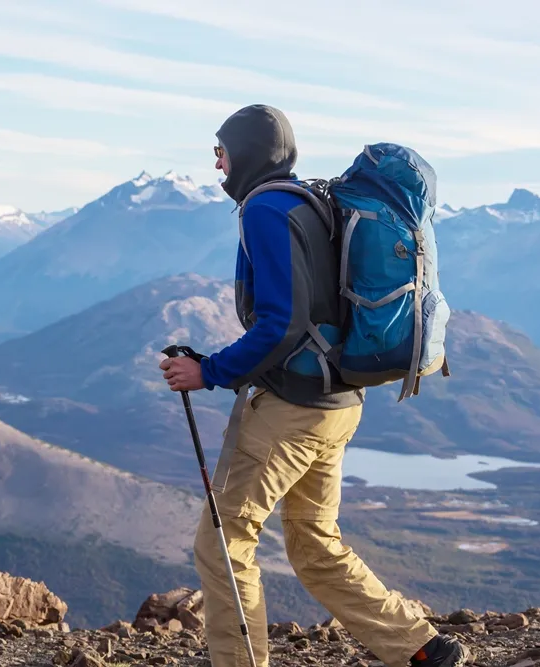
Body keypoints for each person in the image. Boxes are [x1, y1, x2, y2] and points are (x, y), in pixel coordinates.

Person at [159, 103, 470, 667]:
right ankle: (420, 648)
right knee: (313, 541)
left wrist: (209, 371)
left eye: (221, 151)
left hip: (292, 411)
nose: (217, 164)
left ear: (247, 151)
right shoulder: (312, 201)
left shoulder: (267, 210)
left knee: (224, 542)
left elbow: (281, 321)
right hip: (338, 403)